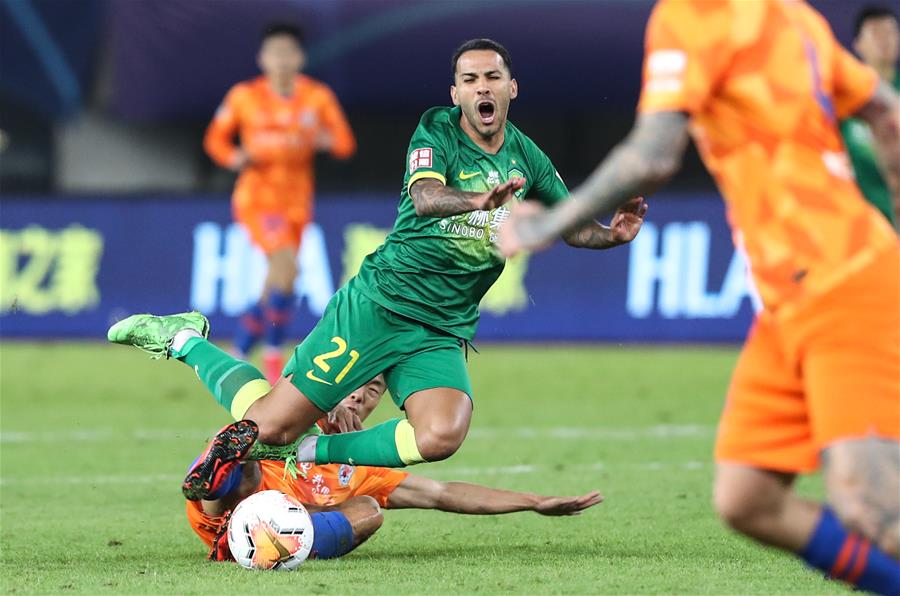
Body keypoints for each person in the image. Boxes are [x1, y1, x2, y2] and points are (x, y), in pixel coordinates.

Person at [109, 39, 646, 487]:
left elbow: (570, 226)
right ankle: (184, 338)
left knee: (441, 435)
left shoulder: (527, 158)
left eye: (492, 77)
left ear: (512, 88)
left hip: (441, 328)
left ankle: (314, 452)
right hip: (379, 306)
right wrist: (478, 200)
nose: (482, 87)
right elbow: (426, 198)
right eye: (470, 79)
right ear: (455, 93)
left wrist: (611, 235)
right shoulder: (437, 129)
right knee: (269, 427)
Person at [497, 1, 900, 593]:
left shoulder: (693, 15)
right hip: (788, 300)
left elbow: (654, 153)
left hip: (839, 279)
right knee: (748, 496)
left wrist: (548, 223)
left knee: (873, 509)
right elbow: (887, 114)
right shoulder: (793, 16)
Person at [186, 375, 603, 564]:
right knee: (247, 457)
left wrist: (533, 502)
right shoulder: (293, 413)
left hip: (280, 530)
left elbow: (441, 494)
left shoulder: (364, 460)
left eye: (372, 391)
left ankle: (283, 536)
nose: (359, 397)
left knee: (369, 510)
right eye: (353, 385)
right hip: (224, 514)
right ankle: (215, 478)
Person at [204, 22, 356, 381]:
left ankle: (240, 349)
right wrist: (234, 158)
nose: (282, 60)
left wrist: (323, 140)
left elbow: (345, 143)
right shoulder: (244, 96)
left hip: (298, 202)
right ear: (262, 58)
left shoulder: (317, 97)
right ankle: (273, 357)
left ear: (300, 57)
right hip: (258, 198)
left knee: (277, 281)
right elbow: (215, 140)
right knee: (288, 269)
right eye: (275, 53)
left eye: (289, 53)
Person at [840, 5, 900, 228]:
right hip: (864, 224)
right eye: (875, 33)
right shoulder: (845, 100)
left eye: (890, 32)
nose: (884, 40)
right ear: (858, 44)